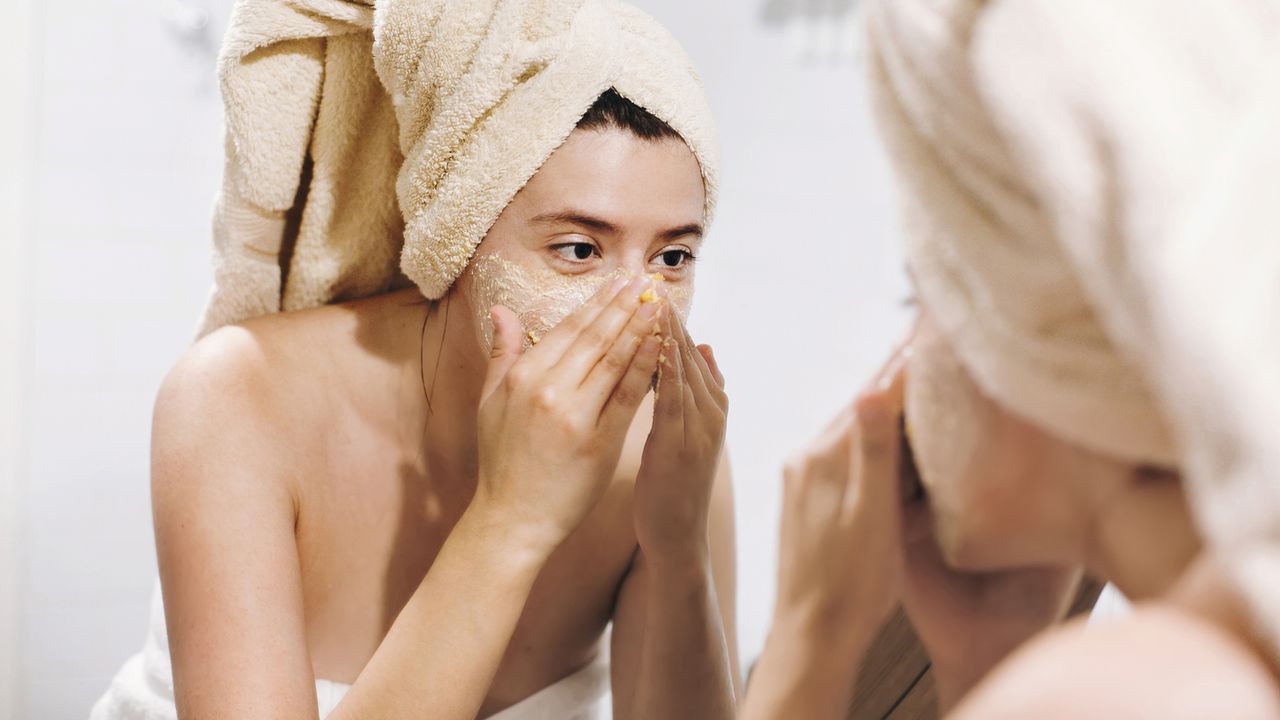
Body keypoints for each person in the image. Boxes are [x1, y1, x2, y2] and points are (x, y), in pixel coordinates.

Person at [91, 2, 738, 718]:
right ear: (453, 241)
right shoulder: (236, 398)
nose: (638, 307)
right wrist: (510, 519)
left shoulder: (666, 450)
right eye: (578, 250)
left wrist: (680, 549)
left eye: (672, 257)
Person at [744, 0, 1280, 717]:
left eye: (922, 296)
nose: (896, 364)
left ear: (1039, 341)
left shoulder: (1125, 691)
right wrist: (986, 662)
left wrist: (807, 643)